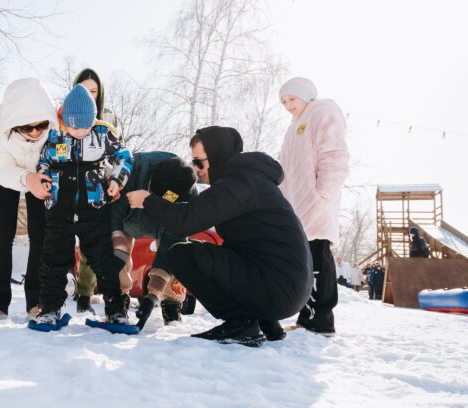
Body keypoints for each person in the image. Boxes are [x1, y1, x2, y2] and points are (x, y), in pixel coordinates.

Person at [127, 126, 313, 346]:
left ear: (217, 156)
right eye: (193, 162)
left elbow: (188, 219)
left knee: (180, 254)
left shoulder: (239, 183)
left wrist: (147, 200)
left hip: (278, 287)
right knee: (226, 252)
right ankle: (264, 322)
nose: (196, 170)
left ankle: (240, 323)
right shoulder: (247, 178)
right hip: (285, 285)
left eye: (199, 162)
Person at [30, 84, 134, 330]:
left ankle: (116, 311)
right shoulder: (54, 136)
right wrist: (43, 179)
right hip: (59, 210)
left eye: (85, 126)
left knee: (103, 259)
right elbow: (43, 161)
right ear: (65, 120)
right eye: (74, 126)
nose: (79, 131)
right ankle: (49, 310)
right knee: (53, 259)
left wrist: (118, 180)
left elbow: (126, 156)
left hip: (94, 208)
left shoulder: (102, 134)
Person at [0, 78, 58, 320]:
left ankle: (36, 300)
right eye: (27, 128)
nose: (36, 133)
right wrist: (26, 178)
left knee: (41, 233)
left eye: (41, 126)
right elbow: (0, 167)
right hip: (5, 175)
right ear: (14, 124)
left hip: (42, 173)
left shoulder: (55, 122)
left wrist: (42, 178)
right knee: (3, 233)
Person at [278, 77, 349, 336]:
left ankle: (322, 322)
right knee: (304, 266)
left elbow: (334, 154)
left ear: (306, 95)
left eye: (291, 99)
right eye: (283, 101)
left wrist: (323, 195)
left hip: (317, 205)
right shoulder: (293, 126)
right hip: (297, 207)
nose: (287, 105)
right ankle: (306, 319)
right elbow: (284, 169)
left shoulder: (322, 111)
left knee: (318, 263)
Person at [68, 68, 133, 314]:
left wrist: (114, 178)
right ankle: (82, 294)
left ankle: (117, 299)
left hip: (101, 189)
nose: (89, 96)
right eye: (83, 90)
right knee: (75, 246)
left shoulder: (107, 121)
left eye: (93, 91)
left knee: (102, 245)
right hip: (72, 195)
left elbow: (119, 153)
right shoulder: (66, 121)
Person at [108, 153, 198, 329]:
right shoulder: (131, 170)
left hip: (164, 224)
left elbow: (172, 242)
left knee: (177, 252)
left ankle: (172, 304)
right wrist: (118, 243)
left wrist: (153, 295)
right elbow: (113, 216)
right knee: (117, 250)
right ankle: (118, 301)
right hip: (128, 218)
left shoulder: (188, 193)